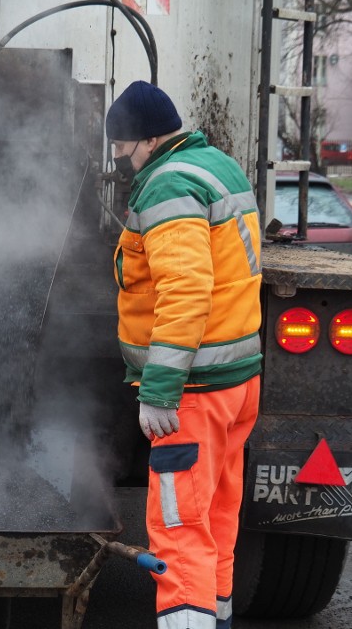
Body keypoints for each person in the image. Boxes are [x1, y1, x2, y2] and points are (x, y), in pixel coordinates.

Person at [106, 81, 263, 629]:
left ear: (148, 140)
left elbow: (186, 291)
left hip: (193, 391)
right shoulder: (218, 165)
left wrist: (159, 389)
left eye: (123, 151)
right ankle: (216, 617)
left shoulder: (168, 186)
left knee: (178, 526)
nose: (122, 163)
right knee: (217, 513)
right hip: (236, 384)